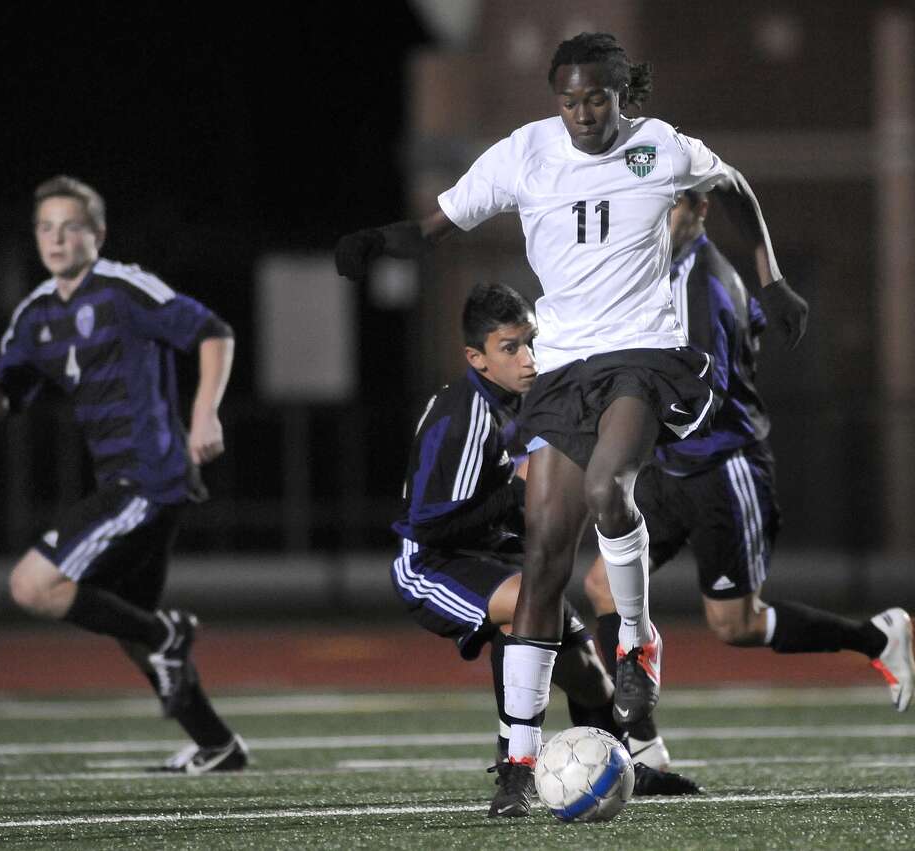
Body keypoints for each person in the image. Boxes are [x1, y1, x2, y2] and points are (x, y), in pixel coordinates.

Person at [337, 32, 808, 812]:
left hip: (644, 356)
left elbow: (734, 187)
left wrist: (773, 280)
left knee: (608, 489)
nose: (583, 113)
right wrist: (375, 241)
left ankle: (635, 641)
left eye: (597, 98)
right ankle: (518, 765)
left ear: (625, 94)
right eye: (569, 99)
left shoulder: (661, 148)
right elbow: (438, 225)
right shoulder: (525, 153)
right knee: (546, 560)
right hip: (564, 367)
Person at [583, 192, 915, 759]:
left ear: (700, 210)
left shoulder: (703, 287)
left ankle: (875, 637)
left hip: (722, 469)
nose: (657, 222)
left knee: (735, 625)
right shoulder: (674, 272)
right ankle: (643, 744)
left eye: (671, 209)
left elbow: (698, 398)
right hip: (671, 467)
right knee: (600, 586)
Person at [0, 175, 248, 774]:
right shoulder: (34, 315)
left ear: (98, 233)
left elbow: (214, 332)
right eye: (45, 228)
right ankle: (217, 745)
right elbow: (2, 405)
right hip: (124, 481)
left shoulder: (122, 288)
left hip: (151, 476)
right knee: (132, 630)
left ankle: (169, 636)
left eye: (70, 226)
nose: (56, 239)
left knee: (33, 585)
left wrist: (204, 412)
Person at [392, 282, 700, 817]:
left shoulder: (534, 403)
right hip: (431, 564)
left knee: (584, 668)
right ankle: (514, 767)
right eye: (510, 347)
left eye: (531, 342)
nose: (528, 358)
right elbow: (428, 523)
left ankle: (619, 760)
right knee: (523, 610)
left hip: (495, 560)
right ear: (477, 358)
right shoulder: (464, 415)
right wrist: (519, 489)